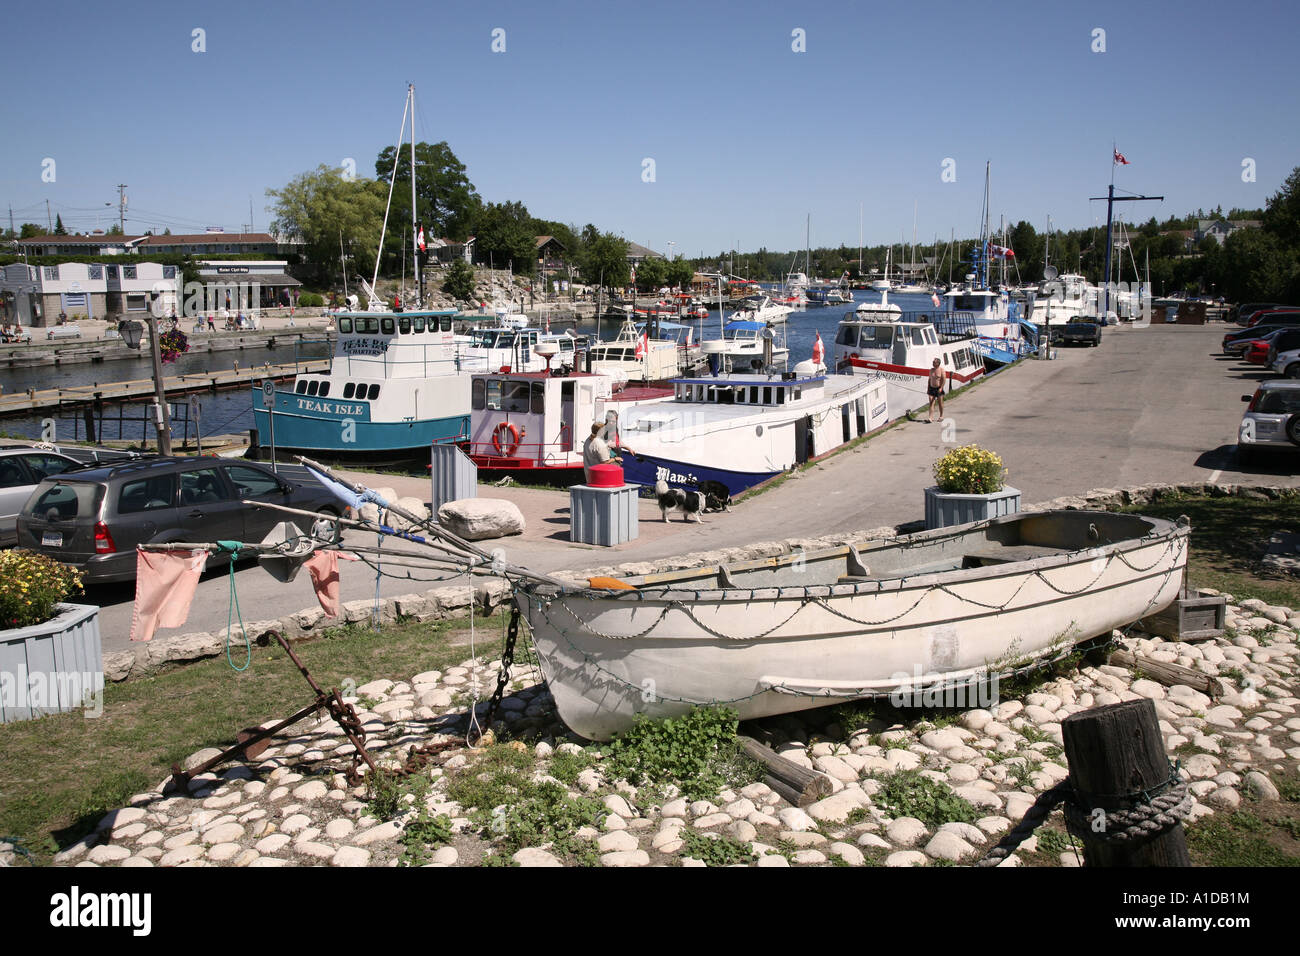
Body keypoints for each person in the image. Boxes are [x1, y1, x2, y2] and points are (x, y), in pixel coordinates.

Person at [926, 358, 947, 423]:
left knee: (940, 403)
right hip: (932, 388)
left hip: (938, 388)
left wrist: (941, 388)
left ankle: (941, 416)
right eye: (933, 362)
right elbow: (929, 379)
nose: (932, 363)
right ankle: (930, 418)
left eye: (934, 362)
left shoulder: (941, 370)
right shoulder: (931, 370)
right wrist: (928, 388)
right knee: (931, 403)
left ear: (937, 363)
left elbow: (944, 379)